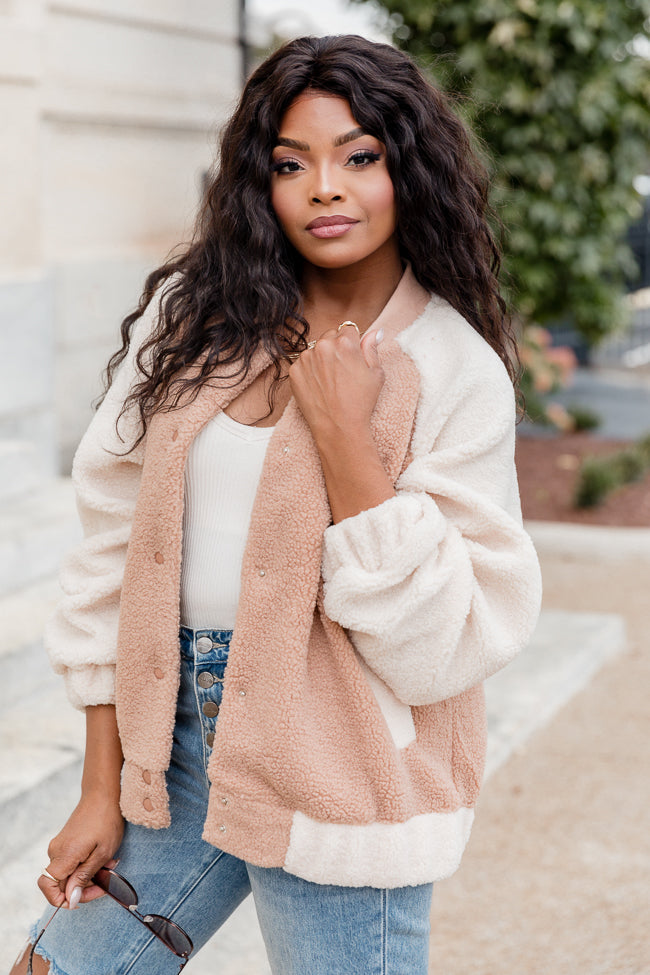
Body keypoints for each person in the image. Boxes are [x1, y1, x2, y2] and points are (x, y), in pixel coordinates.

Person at [11, 33, 542, 975]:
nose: (324, 187)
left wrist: (346, 442)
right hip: (174, 747)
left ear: (409, 170)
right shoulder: (197, 318)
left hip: (344, 766)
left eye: (360, 157)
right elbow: (111, 548)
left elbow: (444, 650)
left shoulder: (454, 369)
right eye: (291, 163)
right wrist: (101, 784)